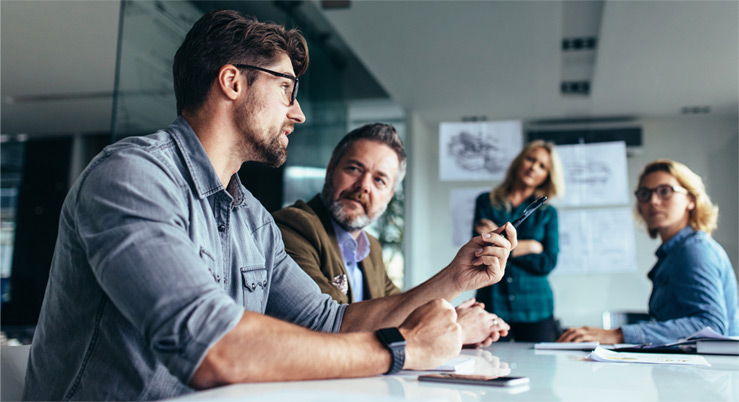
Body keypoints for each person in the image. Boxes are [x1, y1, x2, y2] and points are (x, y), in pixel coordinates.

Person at [23, 10, 517, 400]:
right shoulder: (132, 176)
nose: (298, 113)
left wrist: (456, 277)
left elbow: (332, 322)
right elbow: (213, 348)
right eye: (285, 89)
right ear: (233, 82)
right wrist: (401, 350)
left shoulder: (252, 219)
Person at [273, 123, 510, 346]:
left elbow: (400, 313)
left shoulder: (371, 248)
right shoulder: (293, 227)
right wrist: (456, 327)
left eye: (379, 180)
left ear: (390, 195)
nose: (364, 186)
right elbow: (332, 327)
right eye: (354, 169)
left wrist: (453, 318)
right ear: (331, 169)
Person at [558, 159, 738, 344]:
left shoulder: (694, 250)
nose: (653, 201)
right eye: (644, 194)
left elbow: (711, 326)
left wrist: (617, 335)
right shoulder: (674, 253)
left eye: (665, 191)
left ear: (691, 200)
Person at [472, 140, 564, 342]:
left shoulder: (548, 213)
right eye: (530, 159)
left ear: (547, 176)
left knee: (541, 370)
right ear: (519, 162)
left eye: (542, 166)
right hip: (493, 302)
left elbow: (547, 262)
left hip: (536, 308)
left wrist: (503, 247)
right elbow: (482, 252)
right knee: (489, 365)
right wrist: (530, 246)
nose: (533, 167)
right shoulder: (486, 202)